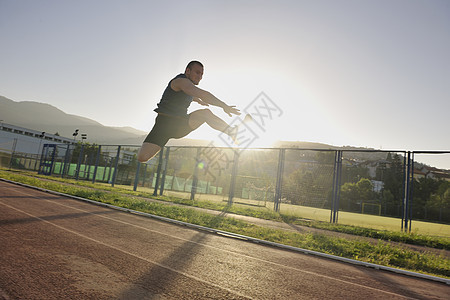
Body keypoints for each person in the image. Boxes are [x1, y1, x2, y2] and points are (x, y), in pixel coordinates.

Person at [137, 60, 241, 163]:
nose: (200, 76)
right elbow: (201, 93)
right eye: (197, 72)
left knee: (205, 113)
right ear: (187, 71)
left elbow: (192, 95)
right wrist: (223, 105)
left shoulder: (188, 87)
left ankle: (231, 131)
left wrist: (199, 101)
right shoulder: (180, 81)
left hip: (180, 124)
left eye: (201, 74)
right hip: (162, 127)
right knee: (142, 157)